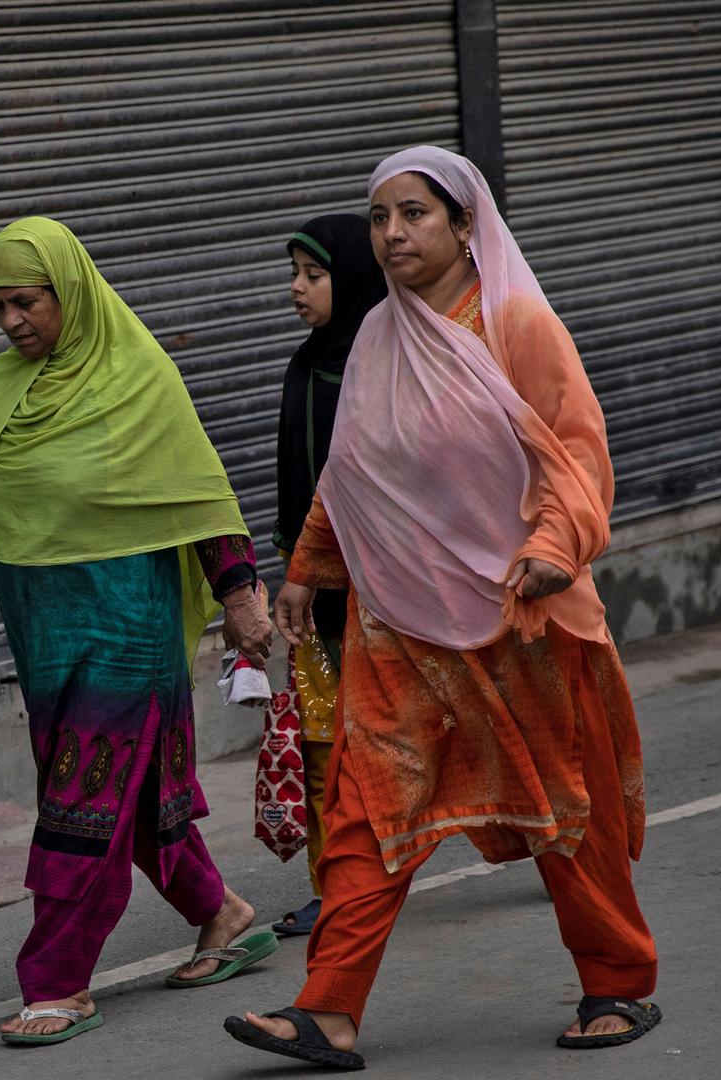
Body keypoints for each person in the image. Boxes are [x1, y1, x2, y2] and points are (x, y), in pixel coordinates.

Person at [225, 146, 659, 1071]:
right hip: (399, 625)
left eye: (413, 214)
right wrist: (306, 570)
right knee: (366, 812)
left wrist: (551, 546)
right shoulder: (380, 337)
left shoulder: (518, 325)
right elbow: (356, 476)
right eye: (380, 218)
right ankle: (328, 1011)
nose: (391, 234)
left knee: (563, 812)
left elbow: (574, 453)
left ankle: (617, 982)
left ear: (466, 225)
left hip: (521, 620)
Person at [0, 217, 278, 1047]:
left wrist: (241, 595)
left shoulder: (137, 377)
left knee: (82, 800)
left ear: (68, 293)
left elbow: (198, 494)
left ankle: (56, 980)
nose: (12, 322)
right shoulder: (5, 388)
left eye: (27, 302)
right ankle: (221, 913)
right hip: (44, 630)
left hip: (128, 626)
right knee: (132, 794)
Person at [265, 215, 387, 937]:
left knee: (451, 727)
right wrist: (291, 572)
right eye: (294, 274)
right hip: (311, 594)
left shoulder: (391, 366)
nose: (297, 288)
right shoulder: (306, 365)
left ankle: (538, 835)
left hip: (390, 592)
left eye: (313, 275)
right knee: (321, 743)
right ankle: (335, 882)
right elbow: (295, 483)